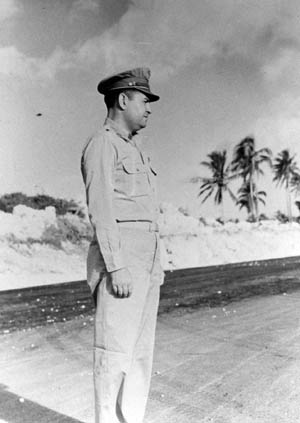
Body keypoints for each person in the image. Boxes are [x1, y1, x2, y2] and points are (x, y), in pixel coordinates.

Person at [81, 67, 164, 423]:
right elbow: (102, 211)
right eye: (144, 101)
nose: (148, 109)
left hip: (146, 258)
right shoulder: (102, 145)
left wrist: (154, 264)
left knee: (139, 354)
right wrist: (116, 266)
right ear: (123, 99)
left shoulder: (135, 150)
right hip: (123, 259)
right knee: (114, 353)